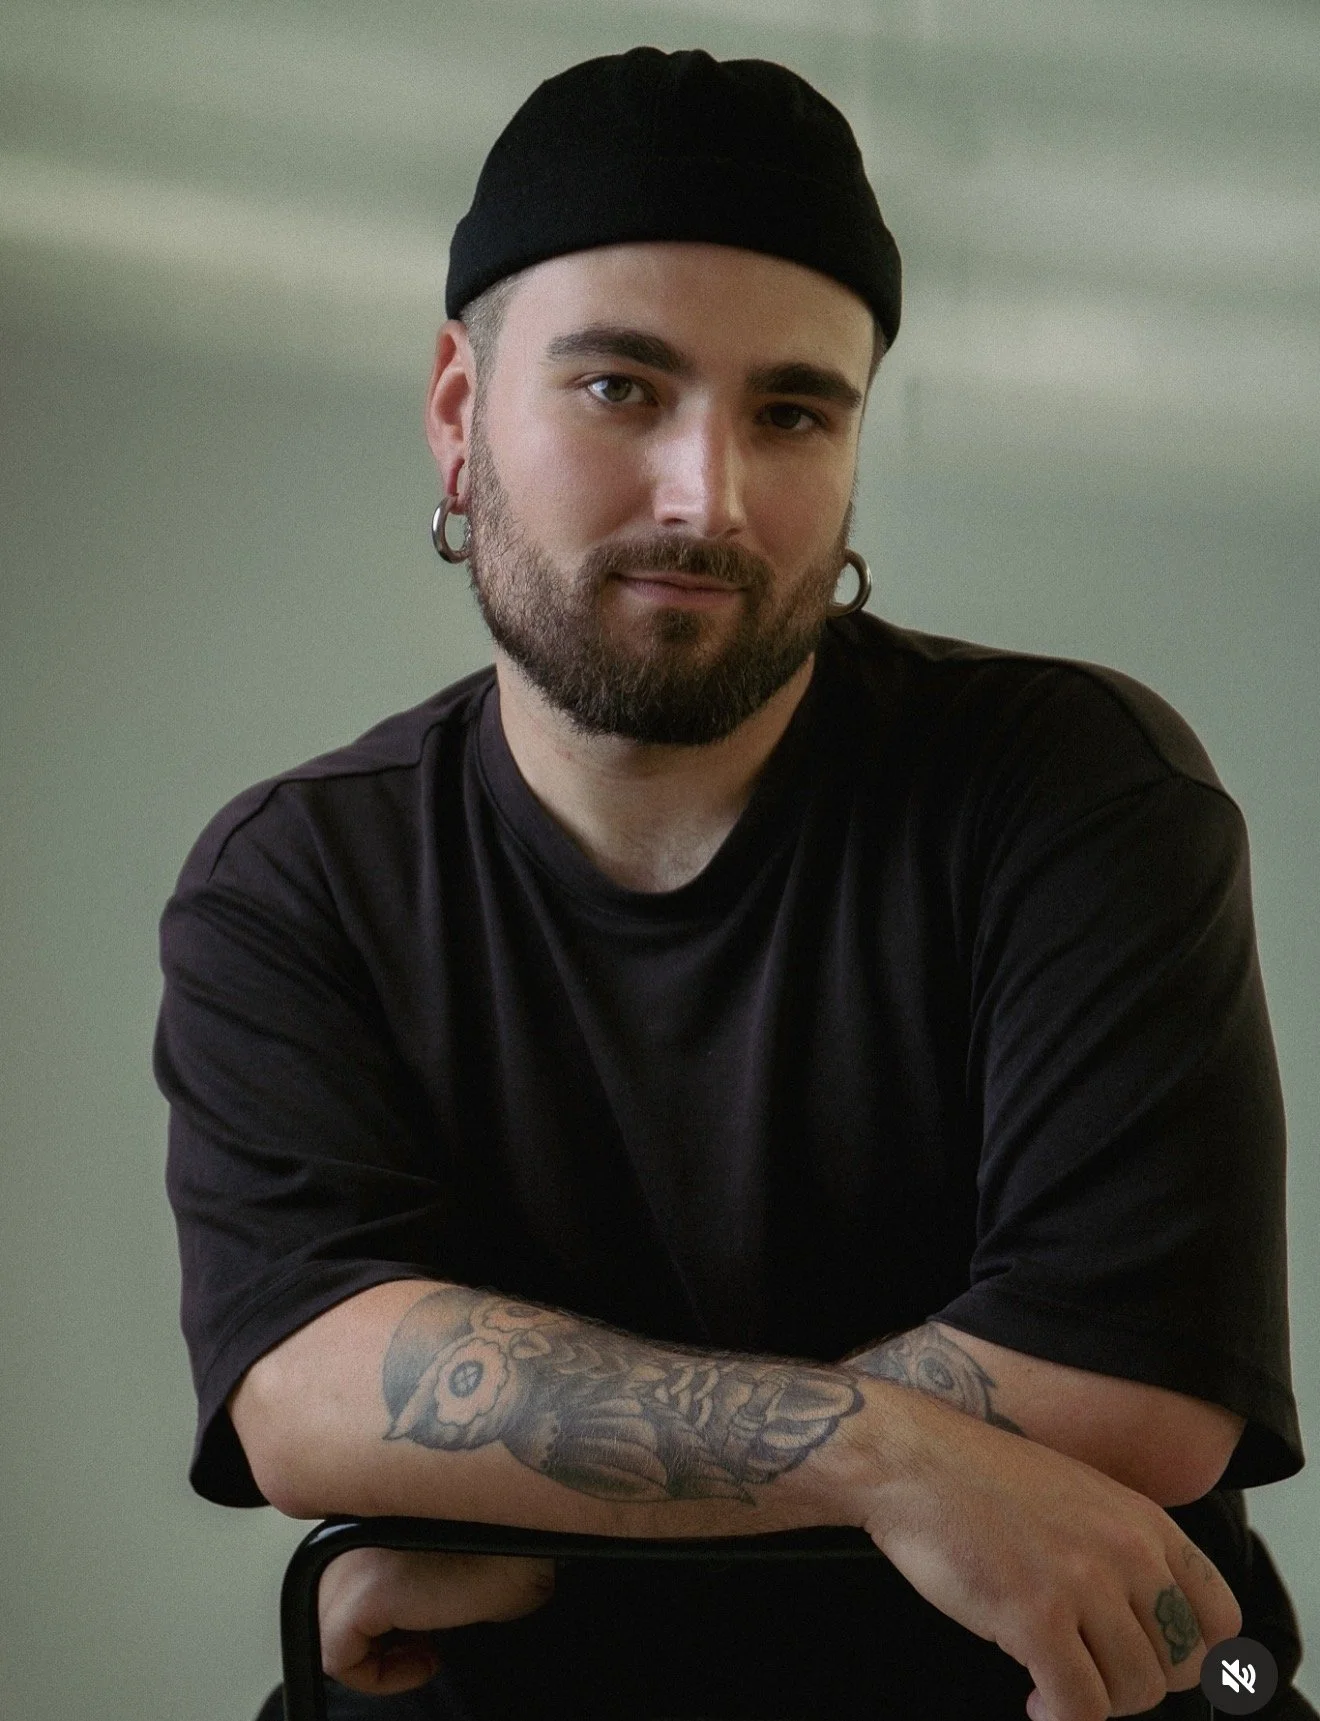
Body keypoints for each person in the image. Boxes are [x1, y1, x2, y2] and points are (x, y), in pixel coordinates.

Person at [154, 46, 1312, 1721]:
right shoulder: (297, 882)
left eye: (791, 411)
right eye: (623, 387)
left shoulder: (1075, 790)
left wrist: (521, 1505)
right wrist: (899, 1460)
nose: (709, 496)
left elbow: (1132, 1396)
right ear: (462, 410)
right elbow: (305, 1395)